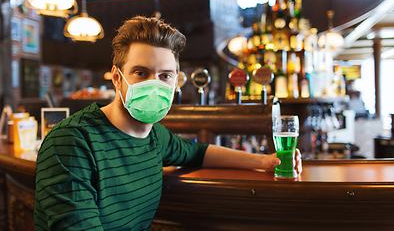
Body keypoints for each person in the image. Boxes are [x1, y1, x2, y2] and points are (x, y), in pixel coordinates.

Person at [34, 16, 302, 231]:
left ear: (176, 82)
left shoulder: (155, 138)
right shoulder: (70, 142)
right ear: (117, 78)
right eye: (141, 73)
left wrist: (265, 162)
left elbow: (199, 153)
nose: (155, 84)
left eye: (165, 75)